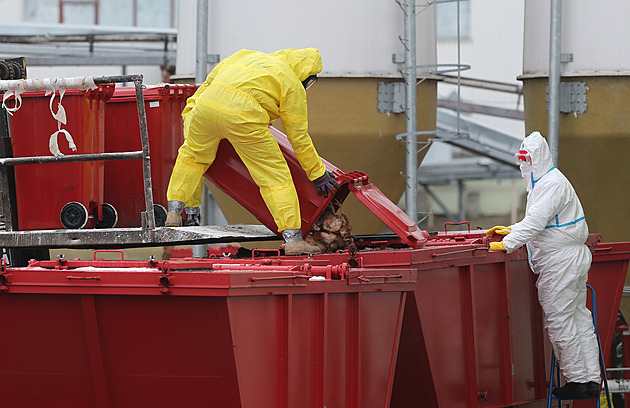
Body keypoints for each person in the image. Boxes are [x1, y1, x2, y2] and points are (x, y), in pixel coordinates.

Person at [165, 48, 338, 255]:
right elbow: (298, 137)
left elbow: (205, 87)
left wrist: (191, 117)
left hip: (205, 110)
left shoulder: (245, 56)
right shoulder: (291, 83)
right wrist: (317, 173)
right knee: (274, 177)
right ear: (305, 74)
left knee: (192, 157)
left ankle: (174, 213)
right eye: (310, 82)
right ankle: (293, 240)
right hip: (244, 117)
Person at [487, 131, 600, 399]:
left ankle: (576, 382)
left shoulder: (550, 184)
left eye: (526, 160)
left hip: (560, 261)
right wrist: (511, 229)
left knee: (560, 320)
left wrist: (508, 242)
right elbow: (544, 222)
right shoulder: (550, 181)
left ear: (536, 159)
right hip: (570, 257)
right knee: (578, 318)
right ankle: (590, 379)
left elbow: (537, 223)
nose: (523, 166)